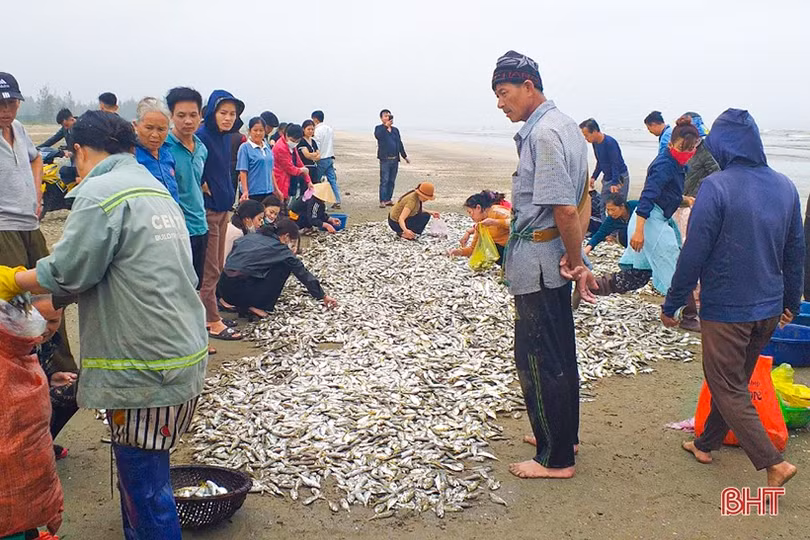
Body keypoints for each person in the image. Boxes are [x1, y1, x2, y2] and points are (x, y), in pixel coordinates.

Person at [0, 110, 208, 540]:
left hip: (144, 369)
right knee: (146, 478)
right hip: (182, 353)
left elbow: (69, 271)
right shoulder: (153, 188)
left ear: (78, 151)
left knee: (147, 490)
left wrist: (13, 280)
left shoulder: (101, 193)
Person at [662, 109, 803, 488]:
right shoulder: (786, 186)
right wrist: (792, 300)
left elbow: (695, 251)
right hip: (770, 308)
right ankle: (705, 443)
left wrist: (674, 300)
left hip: (728, 308)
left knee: (726, 383)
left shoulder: (716, 186)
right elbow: (795, 251)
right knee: (735, 378)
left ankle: (773, 464)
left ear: (723, 146)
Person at [492, 50, 594, 480]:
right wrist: (576, 258)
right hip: (553, 258)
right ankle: (562, 435)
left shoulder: (545, 134)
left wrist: (576, 261)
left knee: (536, 356)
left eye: (504, 92)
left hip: (540, 262)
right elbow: (584, 195)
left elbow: (567, 209)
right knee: (559, 351)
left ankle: (556, 459)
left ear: (529, 87)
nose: (500, 103)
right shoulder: (568, 126)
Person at [578, 118, 701, 332]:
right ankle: (687, 315)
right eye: (684, 147)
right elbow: (647, 197)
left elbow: (667, 194)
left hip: (654, 218)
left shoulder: (677, 164)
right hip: (649, 219)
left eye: (692, 148)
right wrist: (639, 231)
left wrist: (686, 200)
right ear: (671, 144)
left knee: (638, 275)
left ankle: (590, 286)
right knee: (677, 265)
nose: (688, 152)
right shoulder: (665, 164)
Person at [0, 71, 75, 374]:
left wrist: (37, 192)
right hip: (3, 229)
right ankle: (25, 372)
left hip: (31, 226)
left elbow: (36, 158)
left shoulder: (18, 129)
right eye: (1, 103)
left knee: (52, 293)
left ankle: (61, 368)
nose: (7, 109)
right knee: (16, 304)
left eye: (12, 103)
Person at [197, 89, 245, 341]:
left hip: (223, 208)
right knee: (210, 268)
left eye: (232, 114)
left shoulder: (226, 137)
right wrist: (205, 187)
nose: (227, 118)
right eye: (222, 112)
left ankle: (210, 312)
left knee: (218, 265)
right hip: (209, 210)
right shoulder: (202, 136)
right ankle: (211, 321)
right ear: (212, 112)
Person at [218, 217, 337, 319]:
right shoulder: (281, 249)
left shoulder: (249, 237)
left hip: (224, 289)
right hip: (243, 291)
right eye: (292, 241)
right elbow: (302, 273)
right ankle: (257, 306)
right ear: (286, 236)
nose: (292, 245)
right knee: (284, 265)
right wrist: (322, 296)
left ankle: (243, 304)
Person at [166, 87, 209, 292]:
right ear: (171, 116)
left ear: (201, 116)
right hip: (174, 229)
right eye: (181, 115)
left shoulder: (201, 148)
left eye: (193, 115)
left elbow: (197, 182)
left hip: (200, 225)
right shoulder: (162, 147)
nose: (188, 121)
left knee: (195, 285)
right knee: (176, 287)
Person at [32, 295, 78, 461]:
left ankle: (41, 445)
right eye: (41, 319)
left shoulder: (49, 341)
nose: (46, 328)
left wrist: (50, 378)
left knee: (78, 386)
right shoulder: (13, 341)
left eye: (52, 321)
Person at [579, 118, 629, 216]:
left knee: (618, 207)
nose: (585, 138)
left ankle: (621, 229)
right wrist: (594, 177)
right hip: (608, 177)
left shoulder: (610, 143)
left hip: (619, 177)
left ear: (594, 131)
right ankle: (605, 228)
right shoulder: (595, 143)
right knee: (603, 205)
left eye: (586, 135)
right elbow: (600, 161)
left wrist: (614, 183)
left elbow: (615, 164)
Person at [133, 97, 179, 202]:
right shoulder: (130, 156)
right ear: (135, 126)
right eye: (149, 128)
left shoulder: (167, 154)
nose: (155, 135)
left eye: (161, 129)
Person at [449, 190, 511, 265]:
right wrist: (459, 252)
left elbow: (517, 223)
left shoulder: (496, 211)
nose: (470, 216)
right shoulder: (480, 226)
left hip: (516, 247)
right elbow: (473, 249)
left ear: (478, 208)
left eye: (470, 212)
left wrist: (495, 222)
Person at [375, 109, 409, 208]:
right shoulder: (379, 128)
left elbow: (399, 143)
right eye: (385, 116)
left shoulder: (395, 130)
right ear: (381, 118)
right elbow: (378, 136)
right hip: (385, 159)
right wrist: (386, 126)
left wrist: (404, 156)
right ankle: (382, 200)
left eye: (389, 116)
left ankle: (388, 199)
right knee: (384, 180)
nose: (388, 117)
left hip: (395, 159)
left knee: (391, 180)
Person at [237, 117, 276, 203]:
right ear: (250, 131)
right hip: (253, 192)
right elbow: (243, 171)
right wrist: (245, 191)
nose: (258, 133)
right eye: (255, 130)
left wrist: (276, 189)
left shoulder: (267, 147)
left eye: (261, 130)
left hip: (268, 191)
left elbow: (271, 170)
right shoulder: (245, 148)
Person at [681, 112, 719, 199]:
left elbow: (716, 173)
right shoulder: (682, 148)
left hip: (695, 199)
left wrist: (697, 191)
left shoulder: (706, 150)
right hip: (682, 197)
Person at [272, 123, 311, 201]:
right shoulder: (280, 147)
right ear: (286, 135)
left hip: (290, 182)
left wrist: (308, 181)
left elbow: (299, 162)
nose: (295, 143)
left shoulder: (292, 146)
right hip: (280, 183)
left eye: (297, 141)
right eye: (293, 140)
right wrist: (302, 170)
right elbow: (290, 168)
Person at [311, 110, 341, 209]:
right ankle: (337, 200)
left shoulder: (317, 131)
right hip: (330, 157)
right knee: (332, 180)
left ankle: (317, 200)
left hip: (321, 158)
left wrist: (315, 156)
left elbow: (317, 145)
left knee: (316, 180)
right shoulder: (329, 129)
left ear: (315, 119)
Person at [298, 119, 320, 187]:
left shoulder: (313, 141)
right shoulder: (301, 141)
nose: (311, 131)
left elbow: (319, 155)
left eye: (312, 129)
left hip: (314, 168)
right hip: (305, 168)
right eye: (308, 129)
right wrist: (315, 154)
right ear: (303, 129)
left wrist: (313, 155)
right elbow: (307, 155)